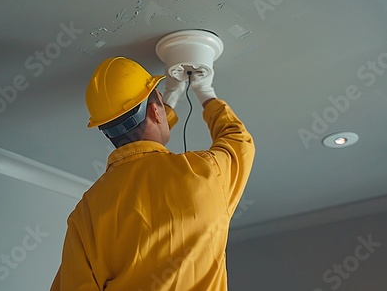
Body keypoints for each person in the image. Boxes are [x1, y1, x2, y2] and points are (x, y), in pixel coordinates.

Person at [51, 56, 255, 290]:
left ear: (105, 130)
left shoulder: (87, 213)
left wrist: (164, 102)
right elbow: (238, 142)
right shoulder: (206, 172)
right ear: (155, 112)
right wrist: (205, 93)